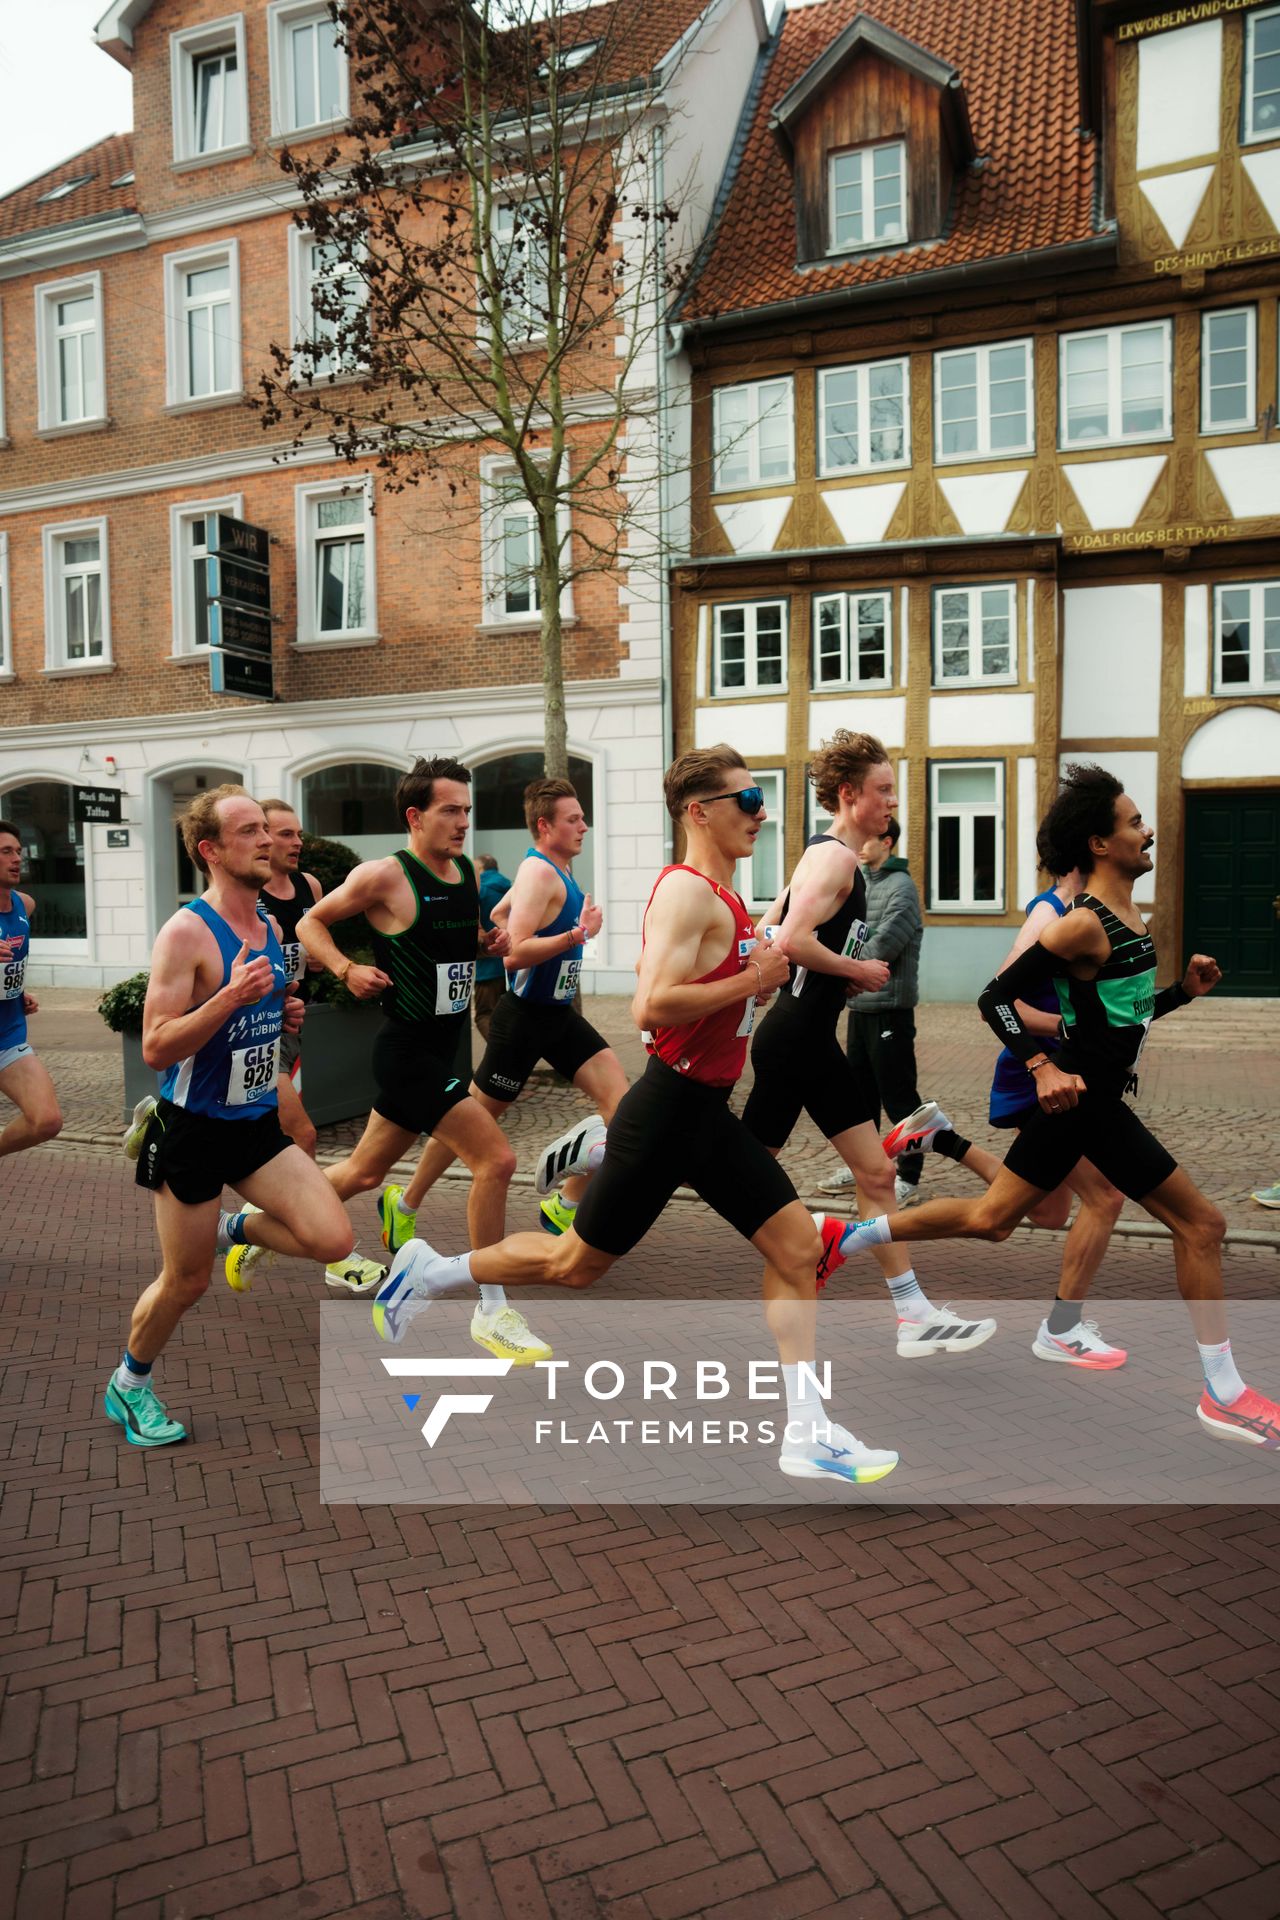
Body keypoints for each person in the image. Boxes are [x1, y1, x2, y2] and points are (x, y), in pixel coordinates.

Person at [374, 743, 900, 1486]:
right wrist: (752, 978)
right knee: (574, 1265)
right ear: (700, 812)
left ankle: (807, 1433)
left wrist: (747, 990)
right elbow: (649, 1004)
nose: (761, 814)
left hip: (701, 1110)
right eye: (747, 802)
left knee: (792, 1251)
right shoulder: (687, 891)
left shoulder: (722, 896)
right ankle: (431, 1273)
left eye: (760, 801)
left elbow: (698, 1001)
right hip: (672, 1109)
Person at [826, 763, 1280, 1447]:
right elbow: (994, 997)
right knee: (1204, 1225)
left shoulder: (1131, 916)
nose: (1147, 830)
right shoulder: (1079, 926)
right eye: (1133, 823)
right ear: (1100, 844)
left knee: (993, 1218)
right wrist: (1040, 1068)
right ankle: (1222, 1392)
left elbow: (1118, 1025)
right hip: (1082, 1101)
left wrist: (1183, 992)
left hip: (1087, 1100)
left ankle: (847, 1238)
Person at [107, 787, 353, 1448]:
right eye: (249, 832)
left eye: (267, 831)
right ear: (211, 850)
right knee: (185, 1283)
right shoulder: (187, 931)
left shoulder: (269, 927)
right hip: (190, 1128)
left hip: (252, 1122)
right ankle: (130, 1386)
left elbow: (254, 1018)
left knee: (332, 1238)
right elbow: (157, 1044)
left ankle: (234, 1226)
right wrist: (231, 998)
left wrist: (277, 1013)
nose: (267, 841)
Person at [742, 737, 994, 1360]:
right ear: (850, 796)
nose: (892, 802)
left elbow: (766, 931)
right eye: (882, 790)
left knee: (876, 1172)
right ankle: (616, 1154)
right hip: (796, 1040)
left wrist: (772, 965)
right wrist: (855, 971)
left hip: (805, 1039)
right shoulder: (834, 861)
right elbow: (794, 940)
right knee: (735, 1171)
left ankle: (913, 1314)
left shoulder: (825, 861)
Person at [294, 754, 551, 1363]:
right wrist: (346, 967)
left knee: (361, 1175)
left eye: (467, 810)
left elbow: (444, 946)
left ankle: (250, 1222)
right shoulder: (384, 875)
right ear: (415, 815)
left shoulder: (463, 871)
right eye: (450, 811)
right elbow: (310, 921)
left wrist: (485, 943)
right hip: (407, 1053)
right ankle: (492, 1310)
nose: (463, 822)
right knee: (497, 1160)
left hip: (445, 1047)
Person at [884, 843, 1127, 1369]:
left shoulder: (1093, 911)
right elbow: (1000, 1000)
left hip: (1069, 1073)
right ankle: (1062, 1329)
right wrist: (1065, 1031)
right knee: (1104, 1198)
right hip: (1039, 1071)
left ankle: (941, 1139)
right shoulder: (1052, 912)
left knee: (1048, 1210)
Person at [379, 777, 629, 1247]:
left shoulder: (553, 870)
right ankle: (405, 1201)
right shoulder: (539, 874)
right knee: (472, 1121)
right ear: (544, 825)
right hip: (525, 1020)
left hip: (557, 1017)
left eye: (582, 818)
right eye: (574, 819)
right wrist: (577, 937)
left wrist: (508, 925)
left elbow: (504, 921)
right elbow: (515, 957)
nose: (584, 827)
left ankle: (566, 1202)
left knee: (621, 1101)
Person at [818, 816, 925, 1209]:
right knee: (860, 1098)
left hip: (889, 1009)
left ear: (888, 842)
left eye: (870, 839)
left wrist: (837, 965)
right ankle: (865, 1165)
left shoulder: (902, 889)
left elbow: (883, 945)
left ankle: (909, 1177)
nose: (860, 845)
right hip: (859, 1006)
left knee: (898, 1097)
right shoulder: (861, 882)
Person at [0, 819, 63, 1162]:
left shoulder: (23, 905)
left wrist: (17, 990)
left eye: (18, 852)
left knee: (46, 1120)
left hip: (7, 1036)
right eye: (6, 852)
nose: (16, 859)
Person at [473, 854, 512, 1043]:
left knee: (483, 1015)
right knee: (503, 1014)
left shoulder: (481, 890)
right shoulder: (508, 888)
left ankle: (503, 1055)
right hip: (508, 961)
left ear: (480, 870)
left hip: (487, 963)